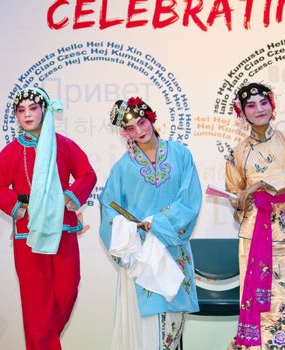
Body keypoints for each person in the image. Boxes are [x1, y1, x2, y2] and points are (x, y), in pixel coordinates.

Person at [0, 87, 97, 350]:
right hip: (28, 234)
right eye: (21, 110)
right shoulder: (12, 151)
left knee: (68, 289)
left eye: (33, 108)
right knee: (36, 300)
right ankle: (44, 344)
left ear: (44, 110)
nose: (27, 115)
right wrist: (16, 206)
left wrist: (71, 195)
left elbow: (87, 174)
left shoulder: (65, 145)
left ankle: (42, 341)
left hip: (63, 230)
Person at [99, 96, 201, 350]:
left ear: (151, 119)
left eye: (142, 122)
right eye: (132, 128)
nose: (140, 131)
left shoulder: (180, 154)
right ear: (125, 133)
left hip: (173, 248)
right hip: (141, 255)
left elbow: (189, 199)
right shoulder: (122, 167)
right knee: (146, 327)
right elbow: (108, 209)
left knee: (173, 325)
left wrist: (157, 222)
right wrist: (129, 229)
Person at [226, 83, 285, 349]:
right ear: (243, 113)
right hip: (254, 237)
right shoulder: (237, 153)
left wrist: (257, 185)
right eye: (251, 106)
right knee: (259, 306)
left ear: (272, 105)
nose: (258, 109)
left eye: (263, 103)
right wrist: (239, 200)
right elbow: (234, 193)